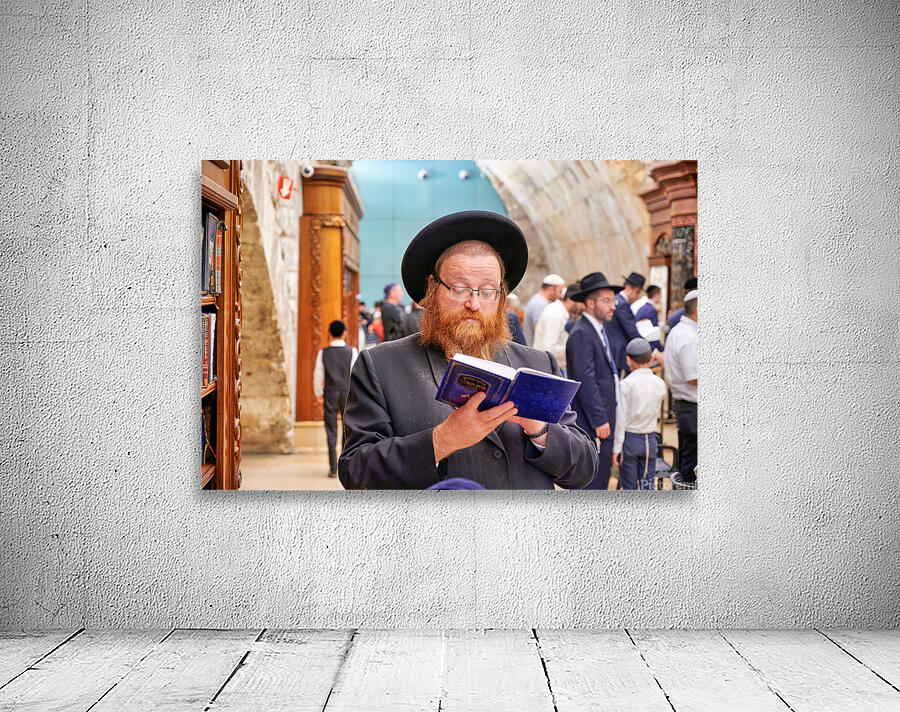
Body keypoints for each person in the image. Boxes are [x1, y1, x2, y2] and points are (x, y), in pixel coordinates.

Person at [338, 210, 598, 490]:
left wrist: (540, 430)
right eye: (459, 289)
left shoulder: (538, 364)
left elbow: (583, 470)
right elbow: (355, 472)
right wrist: (442, 441)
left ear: (501, 297)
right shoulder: (381, 366)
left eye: (487, 292)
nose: (474, 304)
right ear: (432, 288)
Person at [565, 272, 622, 490]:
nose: (613, 306)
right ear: (590, 303)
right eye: (606, 301)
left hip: (602, 419)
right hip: (593, 423)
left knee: (602, 475)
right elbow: (586, 380)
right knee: (594, 482)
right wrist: (599, 419)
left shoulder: (596, 329)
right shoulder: (582, 333)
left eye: (613, 300)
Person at [612, 338, 667, 490]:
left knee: (629, 487)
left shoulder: (626, 385)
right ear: (650, 359)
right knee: (647, 485)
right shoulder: (659, 383)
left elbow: (621, 419)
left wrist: (616, 448)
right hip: (650, 438)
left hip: (629, 440)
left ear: (628, 360)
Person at [313, 320, 359, 477]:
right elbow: (356, 375)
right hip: (347, 393)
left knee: (331, 430)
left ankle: (333, 468)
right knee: (348, 430)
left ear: (329, 333)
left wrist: (318, 393)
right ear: (345, 333)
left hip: (330, 393)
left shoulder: (323, 353)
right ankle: (344, 466)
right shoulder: (352, 351)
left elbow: (318, 375)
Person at [665, 289, 698, 486]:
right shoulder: (688, 337)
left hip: (686, 406)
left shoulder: (680, 331)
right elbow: (693, 377)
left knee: (689, 459)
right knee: (691, 469)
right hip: (691, 407)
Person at [607, 271, 662, 376]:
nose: (637, 297)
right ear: (628, 288)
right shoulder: (622, 304)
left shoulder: (617, 300)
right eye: (637, 292)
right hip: (617, 353)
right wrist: (653, 351)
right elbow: (632, 332)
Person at [532, 283, 583, 375]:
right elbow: (549, 349)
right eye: (582, 302)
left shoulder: (560, 311)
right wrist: (574, 347)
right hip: (547, 371)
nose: (584, 307)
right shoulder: (555, 314)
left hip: (553, 369)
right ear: (573, 299)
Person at [522, 274, 565, 345]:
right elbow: (541, 333)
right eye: (560, 291)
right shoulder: (540, 304)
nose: (561, 296)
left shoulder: (538, 301)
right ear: (552, 288)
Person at [632, 284, 664, 353]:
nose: (661, 297)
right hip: (649, 346)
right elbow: (653, 334)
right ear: (656, 295)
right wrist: (661, 349)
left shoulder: (642, 308)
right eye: (660, 294)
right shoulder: (652, 310)